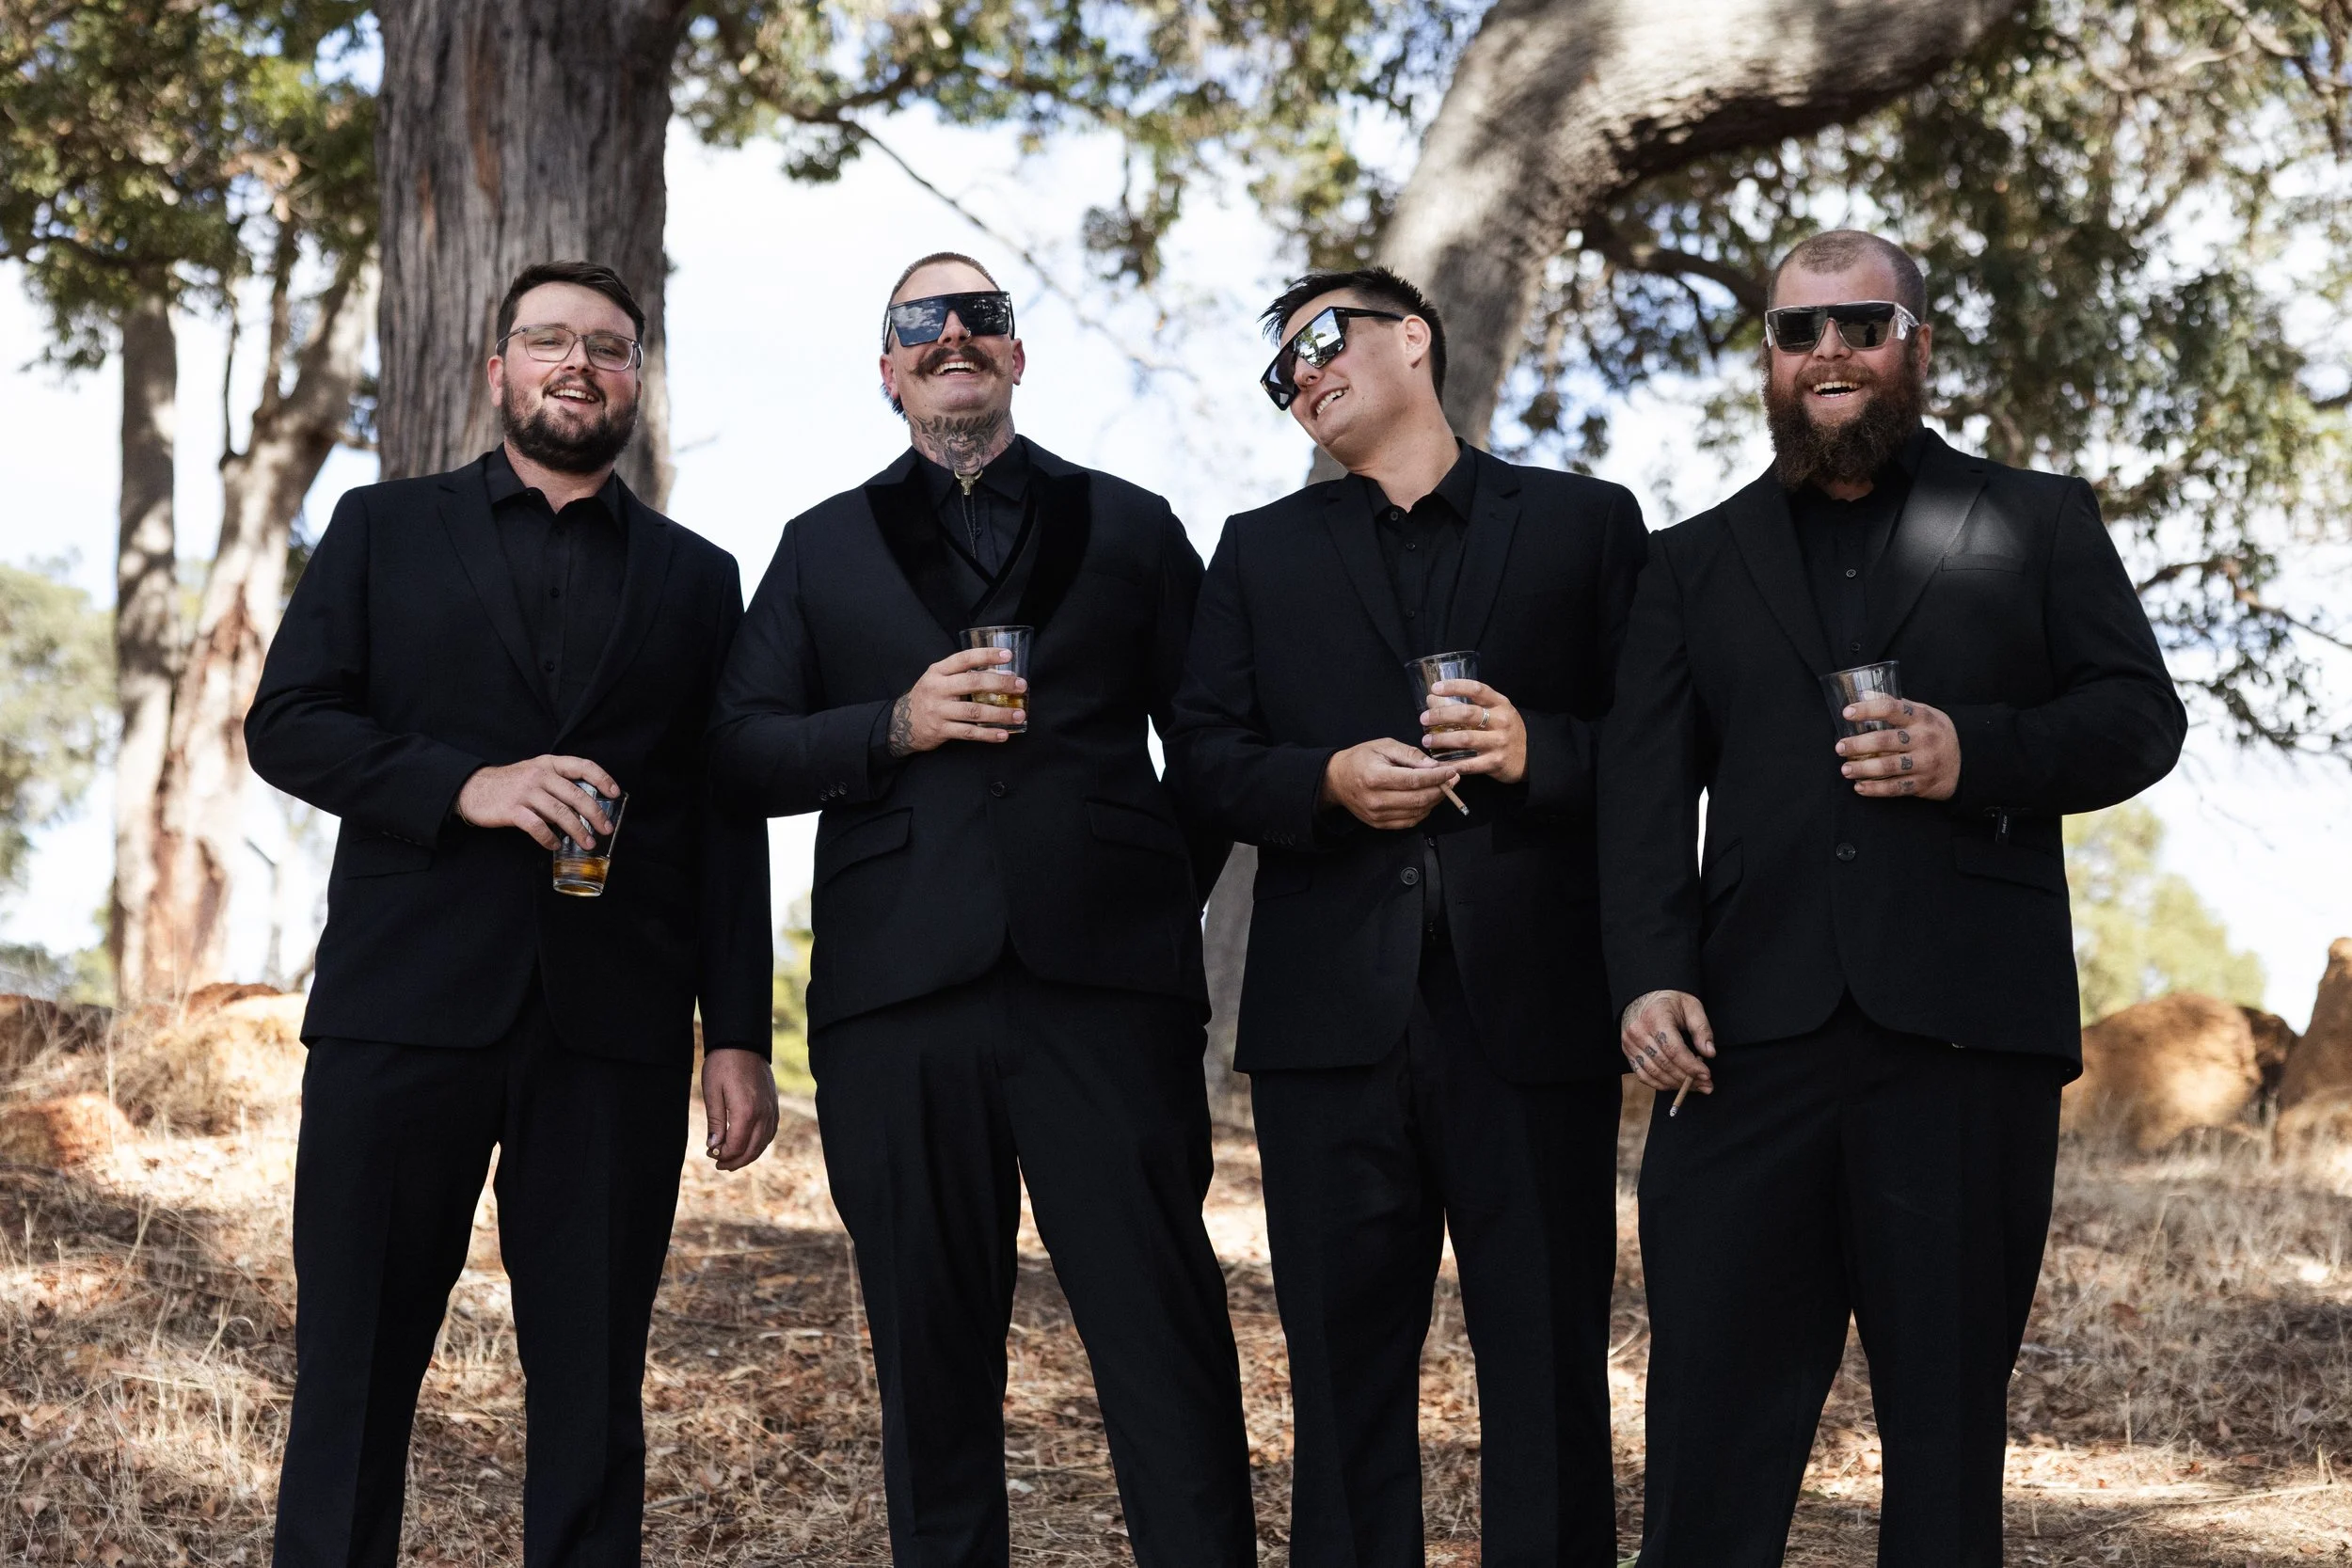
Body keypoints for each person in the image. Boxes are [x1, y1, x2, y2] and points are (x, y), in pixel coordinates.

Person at [1599, 230, 2187, 1567]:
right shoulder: (1689, 562)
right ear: (1770, 357)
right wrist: (1649, 970)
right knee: (1706, 1442)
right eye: (1797, 331)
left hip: (1965, 1043)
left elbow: (2140, 718)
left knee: (1945, 1441)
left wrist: (1974, 751)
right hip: (1743, 1049)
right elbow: (1640, 796)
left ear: (1916, 344)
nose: (1829, 353)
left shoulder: (2040, 520)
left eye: (1861, 326)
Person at [706, 252, 1254, 1567]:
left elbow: (1216, 746)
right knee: (932, 1363)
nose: (953, 333)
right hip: (897, 1004)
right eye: (922, 321)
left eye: (982, 316)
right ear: (888, 371)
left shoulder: (1133, 524)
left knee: (1166, 1342)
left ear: (1016, 354)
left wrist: (1137, 885)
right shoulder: (819, 545)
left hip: (1109, 1001)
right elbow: (737, 750)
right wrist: (891, 726)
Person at [246, 260, 776, 1568]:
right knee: (354, 1370)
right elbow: (288, 724)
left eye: (609, 346)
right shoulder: (381, 528)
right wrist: (464, 784)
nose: (578, 363)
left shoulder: (702, 578)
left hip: (613, 1031)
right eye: (549, 340)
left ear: (636, 383)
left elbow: (724, 814)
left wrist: (737, 1031)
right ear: (499, 370)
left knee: (593, 1390)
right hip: (398, 1009)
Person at [1172, 266, 1646, 1566]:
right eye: (1283, 371)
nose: (1304, 375)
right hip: (1328, 1032)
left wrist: (1540, 750)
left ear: (1416, 338)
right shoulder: (1256, 550)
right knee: (1341, 1387)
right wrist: (1322, 782)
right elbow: (1204, 760)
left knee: (1549, 1374)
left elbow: (1668, 746)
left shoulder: (1587, 523)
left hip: (1535, 1023)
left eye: (1323, 338)